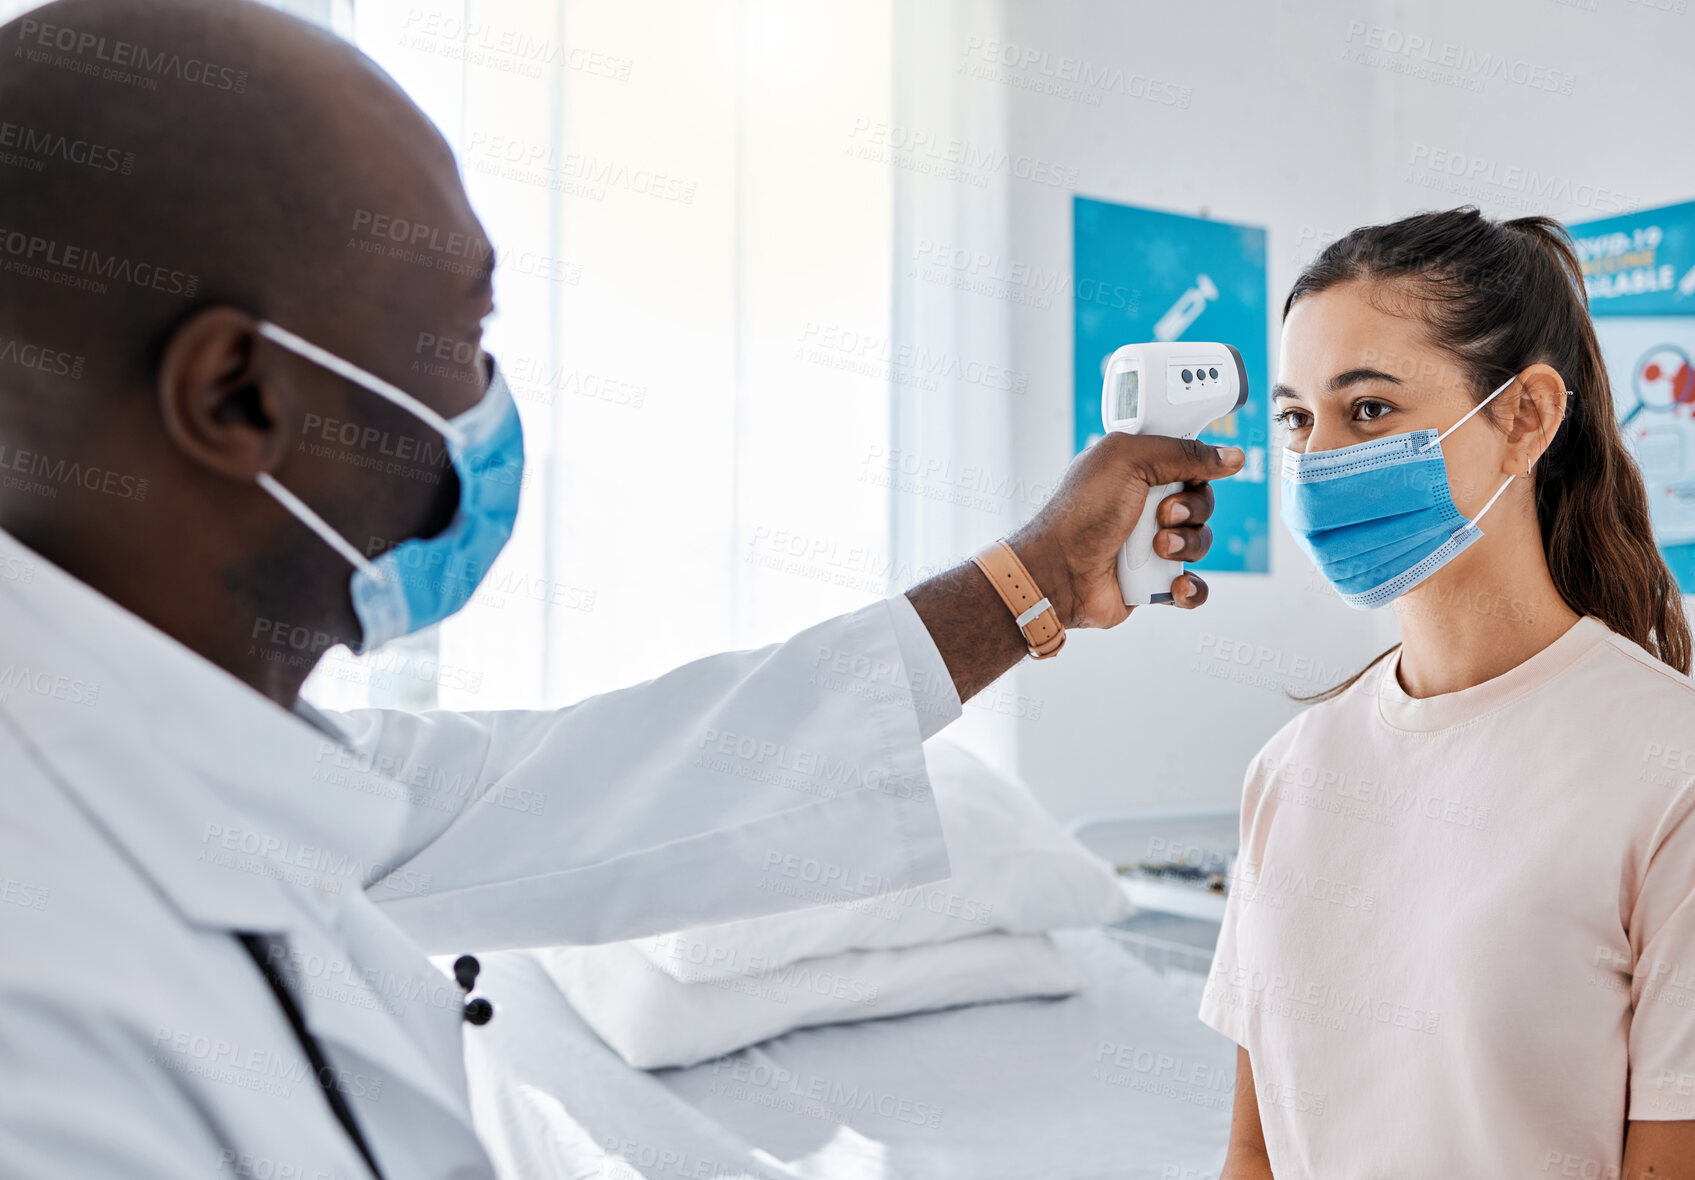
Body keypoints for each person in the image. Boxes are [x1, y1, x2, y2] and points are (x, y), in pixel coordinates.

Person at [0, 1, 1244, 1176]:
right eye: (459, 337)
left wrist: (1034, 582)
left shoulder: (216, 756)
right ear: (237, 398)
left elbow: (612, 789)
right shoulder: (48, 1009)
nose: (484, 406)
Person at [1203, 207, 1695, 1178]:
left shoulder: (1666, 767)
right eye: (1298, 419)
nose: (1319, 460)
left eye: (1370, 410)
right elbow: (1253, 1153)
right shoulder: (1290, 774)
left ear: (1526, 418)